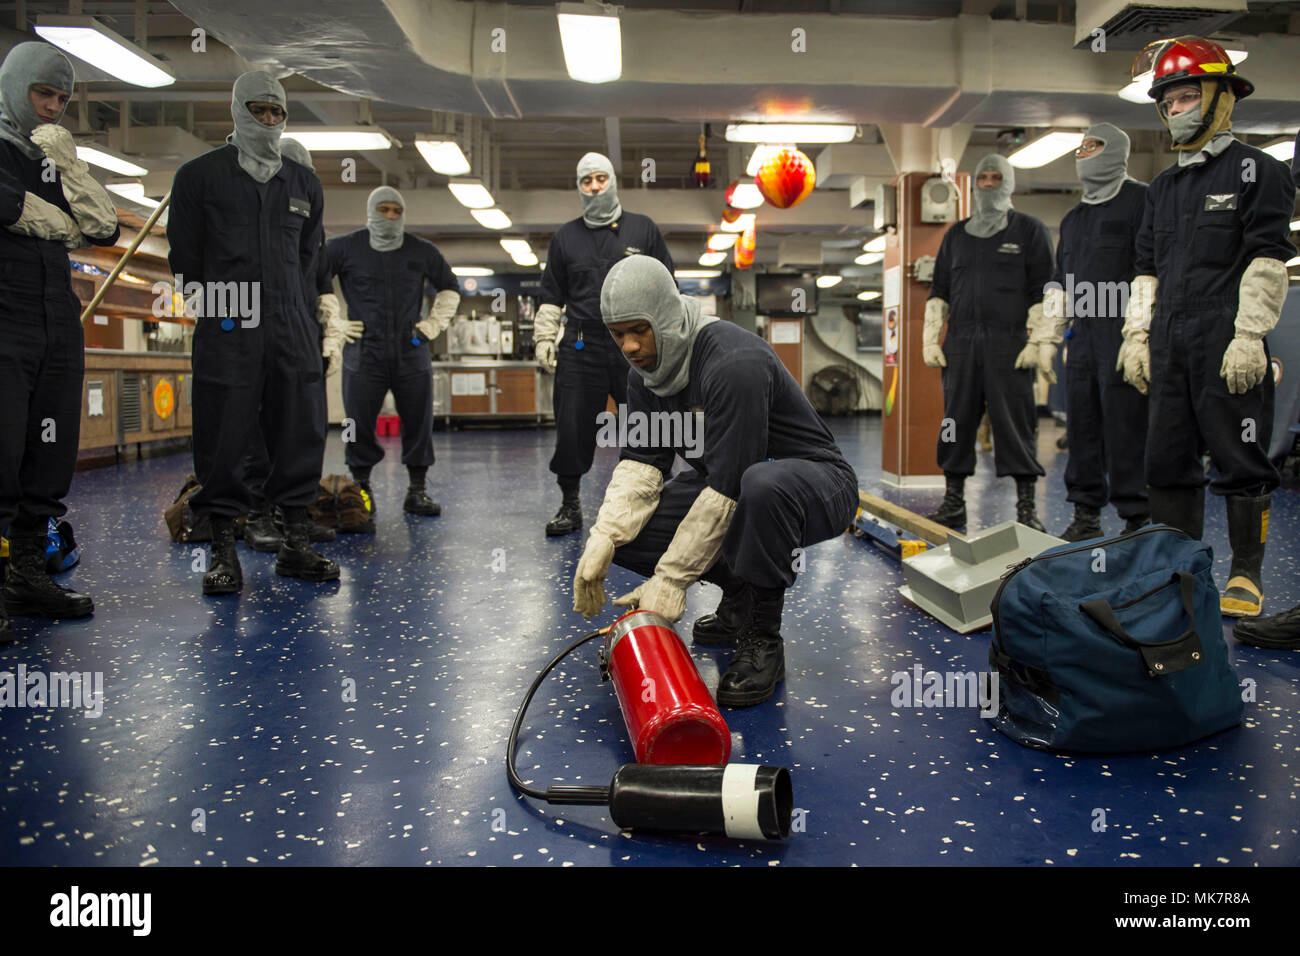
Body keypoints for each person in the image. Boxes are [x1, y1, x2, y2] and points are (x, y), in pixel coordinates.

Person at [572, 256, 859, 708]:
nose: (628, 346)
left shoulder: (732, 361)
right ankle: (740, 595)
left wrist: (670, 579)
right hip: (736, 487)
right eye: (618, 334)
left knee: (760, 486)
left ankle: (762, 639)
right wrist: (604, 536)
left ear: (665, 317)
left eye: (638, 330)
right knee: (630, 532)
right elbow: (643, 464)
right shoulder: (646, 377)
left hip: (815, 483)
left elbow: (728, 487)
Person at [1118, 36, 1294, 618]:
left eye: (1188, 96)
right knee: (1166, 461)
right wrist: (1137, 336)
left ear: (1221, 97)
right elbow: (1145, 269)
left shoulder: (1259, 170)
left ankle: (1245, 574)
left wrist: (1249, 336)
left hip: (1226, 335)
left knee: (1241, 459)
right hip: (1169, 338)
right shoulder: (1162, 188)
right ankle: (1179, 573)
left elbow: (1268, 257)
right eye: (1167, 102)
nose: (1177, 109)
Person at [167, 70, 337, 596]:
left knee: (300, 431)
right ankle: (223, 548)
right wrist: (216, 316)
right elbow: (185, 258)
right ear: (237, 110)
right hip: (229, 324)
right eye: (258, 110)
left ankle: (295, 542)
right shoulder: (199, 177)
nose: (267, 120)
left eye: (276, 113)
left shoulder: (303, 182)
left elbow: (310, 257)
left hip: (291, 323)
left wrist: (308, 319)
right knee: (224, 436)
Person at [0, 42, 119, 641]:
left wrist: (69, 167)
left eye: (61, 99)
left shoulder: (55, 153)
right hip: (4, 317)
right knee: (1, 447)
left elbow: (103, 226)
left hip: (56, 319)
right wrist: (63, 224)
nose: (51, 107)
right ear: (16, 87)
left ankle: (26, 574)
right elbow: (10, 207)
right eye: (41, 94)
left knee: (49, 449)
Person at [535, 152, 673, 536]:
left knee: (647, 424)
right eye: (586, 181)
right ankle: (569, 505)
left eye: (600, 178)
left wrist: (672, 340)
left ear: (612, 180)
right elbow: (551, 296)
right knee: (573, 427)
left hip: (636, 346)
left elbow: (667, 288)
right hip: (581, 346)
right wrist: (544, 337)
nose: (594, 186)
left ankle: (652, 501)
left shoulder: (643, 230)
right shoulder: (565, 237)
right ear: (579, 187)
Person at [922, 154, 1055, 531]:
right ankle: (953, 503)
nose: (990, 184)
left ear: (1009, 182)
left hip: (1010, 344)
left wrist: (1039, 341)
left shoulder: (1029, 230)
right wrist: (932, 337)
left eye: (998, 177)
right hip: (961, 344)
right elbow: (940, 290)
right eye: (984, 178)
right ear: (974, 183)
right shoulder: (956, 235)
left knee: (1016, 425)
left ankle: (1026, 509)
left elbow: (1045, 289)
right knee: (955, 423)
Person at [325, 186, 459, 517]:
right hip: (363, 349)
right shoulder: (343, 248)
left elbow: (450, 288)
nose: (390, 217)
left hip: (410, 348)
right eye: (383, 209)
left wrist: (432, 326)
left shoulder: (421, 251)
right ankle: (362, 489)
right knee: (358, 422)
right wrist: (335, 322)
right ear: (371, 211)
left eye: (396, 211)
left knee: (419, 420)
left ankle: (417, 490)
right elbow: (314, 281)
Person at [239, 136, 343, 552]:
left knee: (304, 429)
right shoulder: (255, 227)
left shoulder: (313, 232)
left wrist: (330, 337)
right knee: (261, 430)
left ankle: (293, 512)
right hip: (259, 334)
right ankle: (259, 514)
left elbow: (322, 287)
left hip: (302, 337)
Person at [1050, 124, 1150, 541]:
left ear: (1116, 151)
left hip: (1123, 328)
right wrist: (1048, 335)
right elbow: (1060, 279)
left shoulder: (1141, 199)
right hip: (1083, 333)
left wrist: (1141, 332)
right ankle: (1086, 513)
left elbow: (1150, 266)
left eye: (1093, 146)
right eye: (1081, 146)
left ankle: (1136, 517)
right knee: (1082, 423)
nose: (1083, 153)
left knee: (1127, 423)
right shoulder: (1073, 218)